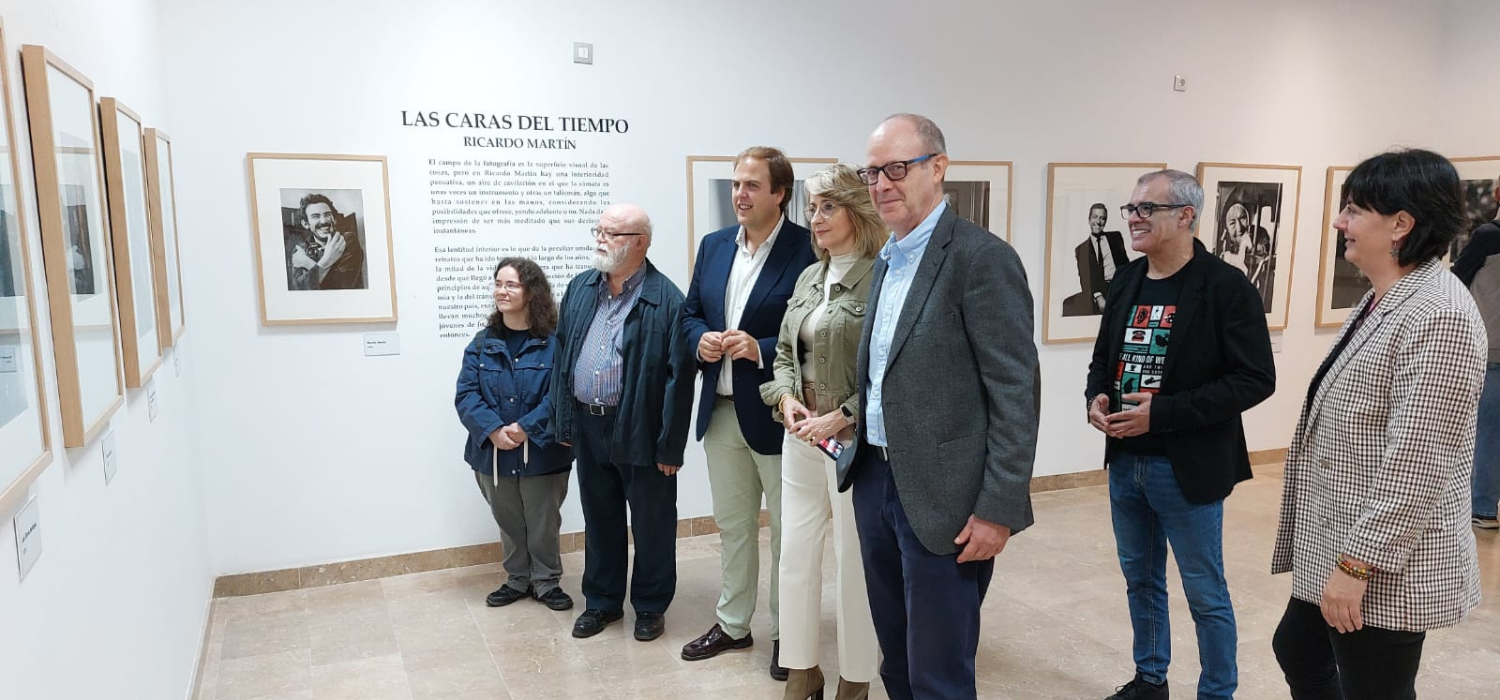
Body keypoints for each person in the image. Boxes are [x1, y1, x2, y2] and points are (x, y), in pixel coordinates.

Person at [834, 113, 1039, 700]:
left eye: (897, 168)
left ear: (939, 168)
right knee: (896, 659)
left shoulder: (981, 259)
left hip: (947, 497)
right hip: (875, 478)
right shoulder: (887, 261)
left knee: (939, 670)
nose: (882, 184)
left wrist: (998, 507)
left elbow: (1015, 392)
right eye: (872, 172)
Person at [1271, 149, 1486, 700]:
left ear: (1400, 224)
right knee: (1297, 646)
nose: (1340, 222)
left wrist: (1355, 567)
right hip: (1343, 534)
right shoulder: (1379, 298)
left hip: (1385, 556)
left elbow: (1418, 460)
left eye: (1353, 209)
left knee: (1376, 687)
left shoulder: (1439, 315)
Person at [1084, 170, 1276, 700]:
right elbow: (1104, 359)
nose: (1134, 218)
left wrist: (1162, 415)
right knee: (1141, 581)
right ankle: (1151, 679)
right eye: (1131, 209)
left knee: (1204, 592)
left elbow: (1255, 379)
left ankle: (1217, 691)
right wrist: (1095, 399)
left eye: (1147, 208)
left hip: (1186, 467)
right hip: (1125, 461)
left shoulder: (1226, 288)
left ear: (1186, 216)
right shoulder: (1126, 280)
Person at [680, 147, 818, 678]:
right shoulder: (715, 246)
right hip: (720, 411)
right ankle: (734, 624)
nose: (740, 194)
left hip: (781, 415)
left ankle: (790, 635)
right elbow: (691, 313)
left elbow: (819, 329)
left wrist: (757, 347)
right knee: (733, 526)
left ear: (780, 193)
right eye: (737, 184)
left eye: (752, 185)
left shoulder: (807, 249)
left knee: (790, 533)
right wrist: (703, 341)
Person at [759, 164, 883, 700]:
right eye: (811, 208)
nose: (816, 218)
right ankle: (802, 670)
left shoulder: (882, 276)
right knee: (795, 555)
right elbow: (786, 352)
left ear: (857, 210)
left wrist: (846, 414)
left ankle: (856, 676)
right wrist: (785, 399)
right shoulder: (812, 277)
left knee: (853, 564)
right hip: (801, 436)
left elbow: (889, 369)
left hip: (852, 442)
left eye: (828, 206)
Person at [550, 204, 695, 642]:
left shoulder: (666, 299)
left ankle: (650, 606)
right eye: (599, 230)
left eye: (612, 233)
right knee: (600, 517)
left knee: (651, 522)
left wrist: (670, 446)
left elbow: (678, 377)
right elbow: (562, 355)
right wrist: (564, 422)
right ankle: (602, 602)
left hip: (640, 429)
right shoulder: (580, 288)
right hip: (588, 424)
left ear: (640, 243)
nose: (601, 238)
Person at [454, 257, 573, 611]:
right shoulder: (482, 342)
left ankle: (547, 581)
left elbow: (560, 395)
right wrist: (492, 430)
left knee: (542, 520)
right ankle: (518, 579)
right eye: (498, 284)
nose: (501, 291)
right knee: (508, 519)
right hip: (492, 453)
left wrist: (525, 428)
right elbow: (466, 394)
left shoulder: (555, 343)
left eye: (511, 285)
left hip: (542, 450)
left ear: (531, 292)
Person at [1449, 175, 1500, 530]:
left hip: (1492, 350)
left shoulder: (1487, 237)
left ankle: (1482, 507)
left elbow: (1455, 281)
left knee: (1487, 431)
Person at [285, 193, 366, 290]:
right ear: (306, 224)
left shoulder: (348, 240)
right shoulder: (300, 250)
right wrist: (328, 261)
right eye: (316, 216)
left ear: (334, 219)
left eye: (327, 215)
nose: (323, 221)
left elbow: (342, 286)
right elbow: (301, 288)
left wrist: (307, 263)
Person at [1066, 202, 1130, 316]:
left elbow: (1126, 266)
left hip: (1121, 286)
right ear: (1089, 219)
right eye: (1095, 217)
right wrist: (1098, 296)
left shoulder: (1115, 238)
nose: (1098, 221)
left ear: (1105, 221)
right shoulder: (1082, 249)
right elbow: (1085, 279)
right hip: (1101, 291)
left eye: (1102, 218)